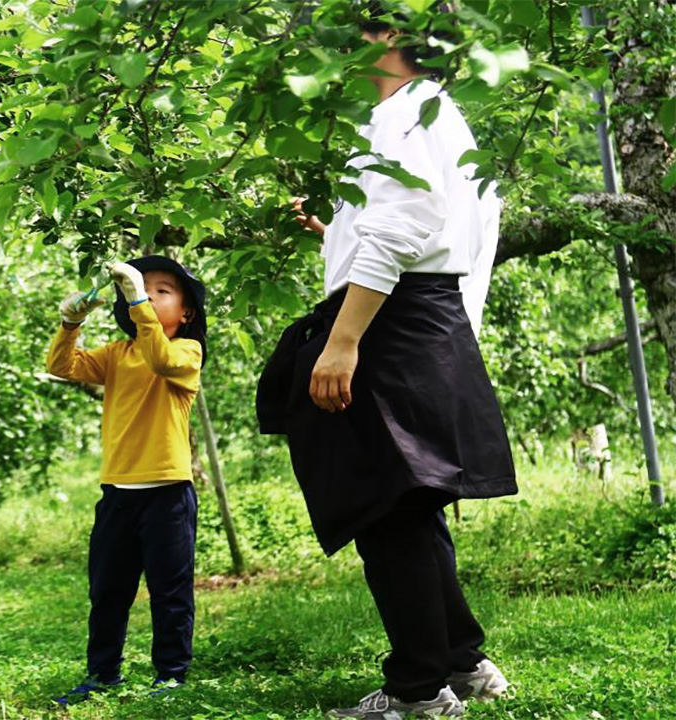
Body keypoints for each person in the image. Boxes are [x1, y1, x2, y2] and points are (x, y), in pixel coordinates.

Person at [258, 10, 514, 720]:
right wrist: (338, 231)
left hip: (392, 325)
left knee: (386, 510)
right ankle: (462, 663)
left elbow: (404, 230)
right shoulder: (431, 115)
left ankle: (418, 691)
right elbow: (427, 231)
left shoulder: (404, 115)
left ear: (394, 39)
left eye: (359, 32)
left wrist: (343, 341)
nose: (343, 48)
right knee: (410, 506)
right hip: (422, 320)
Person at [46, 256, 207, 705]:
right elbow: (62, 365)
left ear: (186, 312)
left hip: (168, 494)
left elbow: (160, 359)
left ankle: (171, 676)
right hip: (117, 492)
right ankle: (102, 674)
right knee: (108, 591)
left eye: (162, 291)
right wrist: (70, 323)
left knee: (170, 592)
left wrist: (137, 300)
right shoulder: (118, 354)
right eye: (143, 287)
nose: (150, 294)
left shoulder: (187, 353)